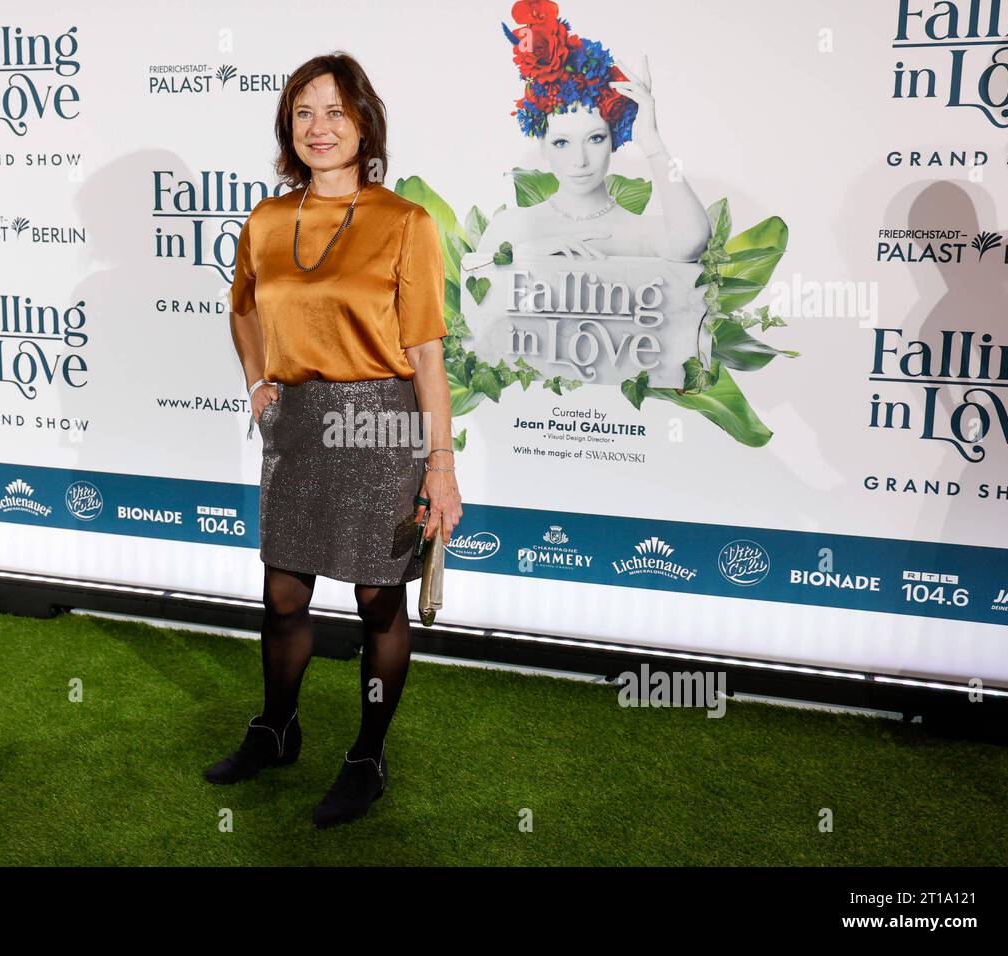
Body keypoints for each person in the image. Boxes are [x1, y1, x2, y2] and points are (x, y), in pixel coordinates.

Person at [205, 52, 464, 829]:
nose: (319, 129)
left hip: (382, 423)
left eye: (335, 112)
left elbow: (424, 354)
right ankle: (276, 728)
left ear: (364, 123)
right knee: (283, 594)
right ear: (289, 127)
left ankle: (366, 755)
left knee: (378, 600)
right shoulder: (266, 219)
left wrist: (440, 467)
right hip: (300, 426)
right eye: (303, 113)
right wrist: (259, 381)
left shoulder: (404, 223)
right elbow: (243, 308)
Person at [462, 0, 711, 271]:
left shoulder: (639, 232)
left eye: (595, 138)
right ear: (542, 145)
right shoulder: (511, 227)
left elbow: (694, 239)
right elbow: (479, 302)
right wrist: (522, 256)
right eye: (561, 142)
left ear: (613, 138)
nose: (579, 160)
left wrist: (652, 142)